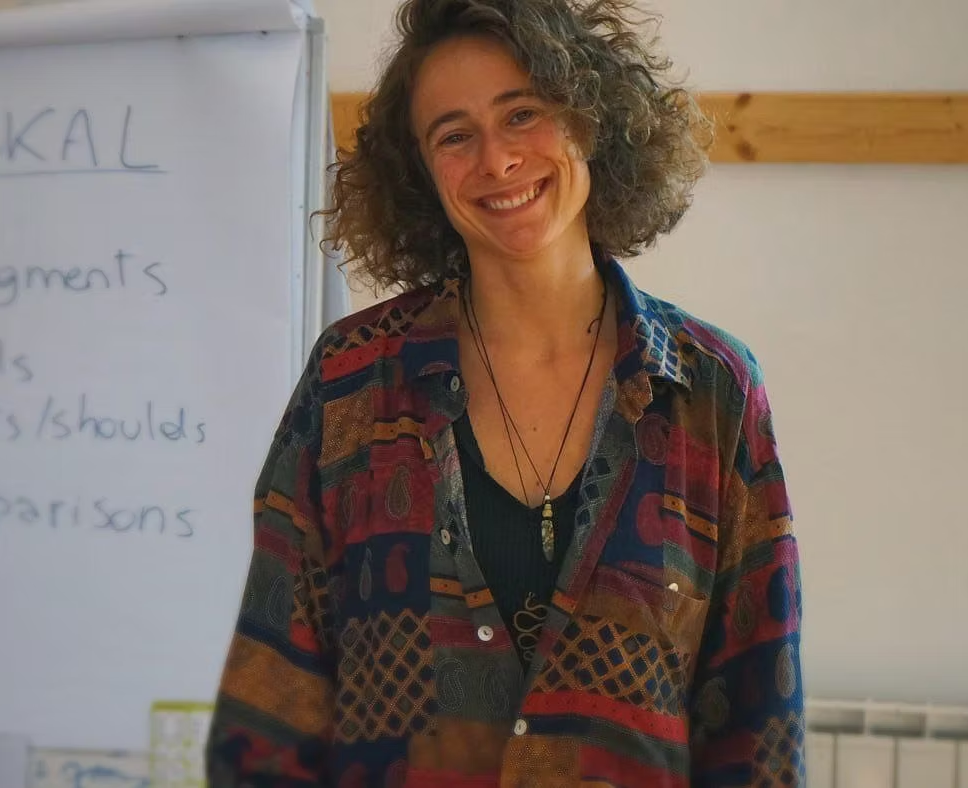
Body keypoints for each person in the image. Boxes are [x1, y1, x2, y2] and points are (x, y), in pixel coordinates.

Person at [207, 0, 804, 784]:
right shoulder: (350, 381)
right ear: (421, 172)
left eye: (523, 114)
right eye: (454, 135)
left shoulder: (710, 391)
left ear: (589, 120)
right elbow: (271, 707)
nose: (496, 161)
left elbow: (758, 721)